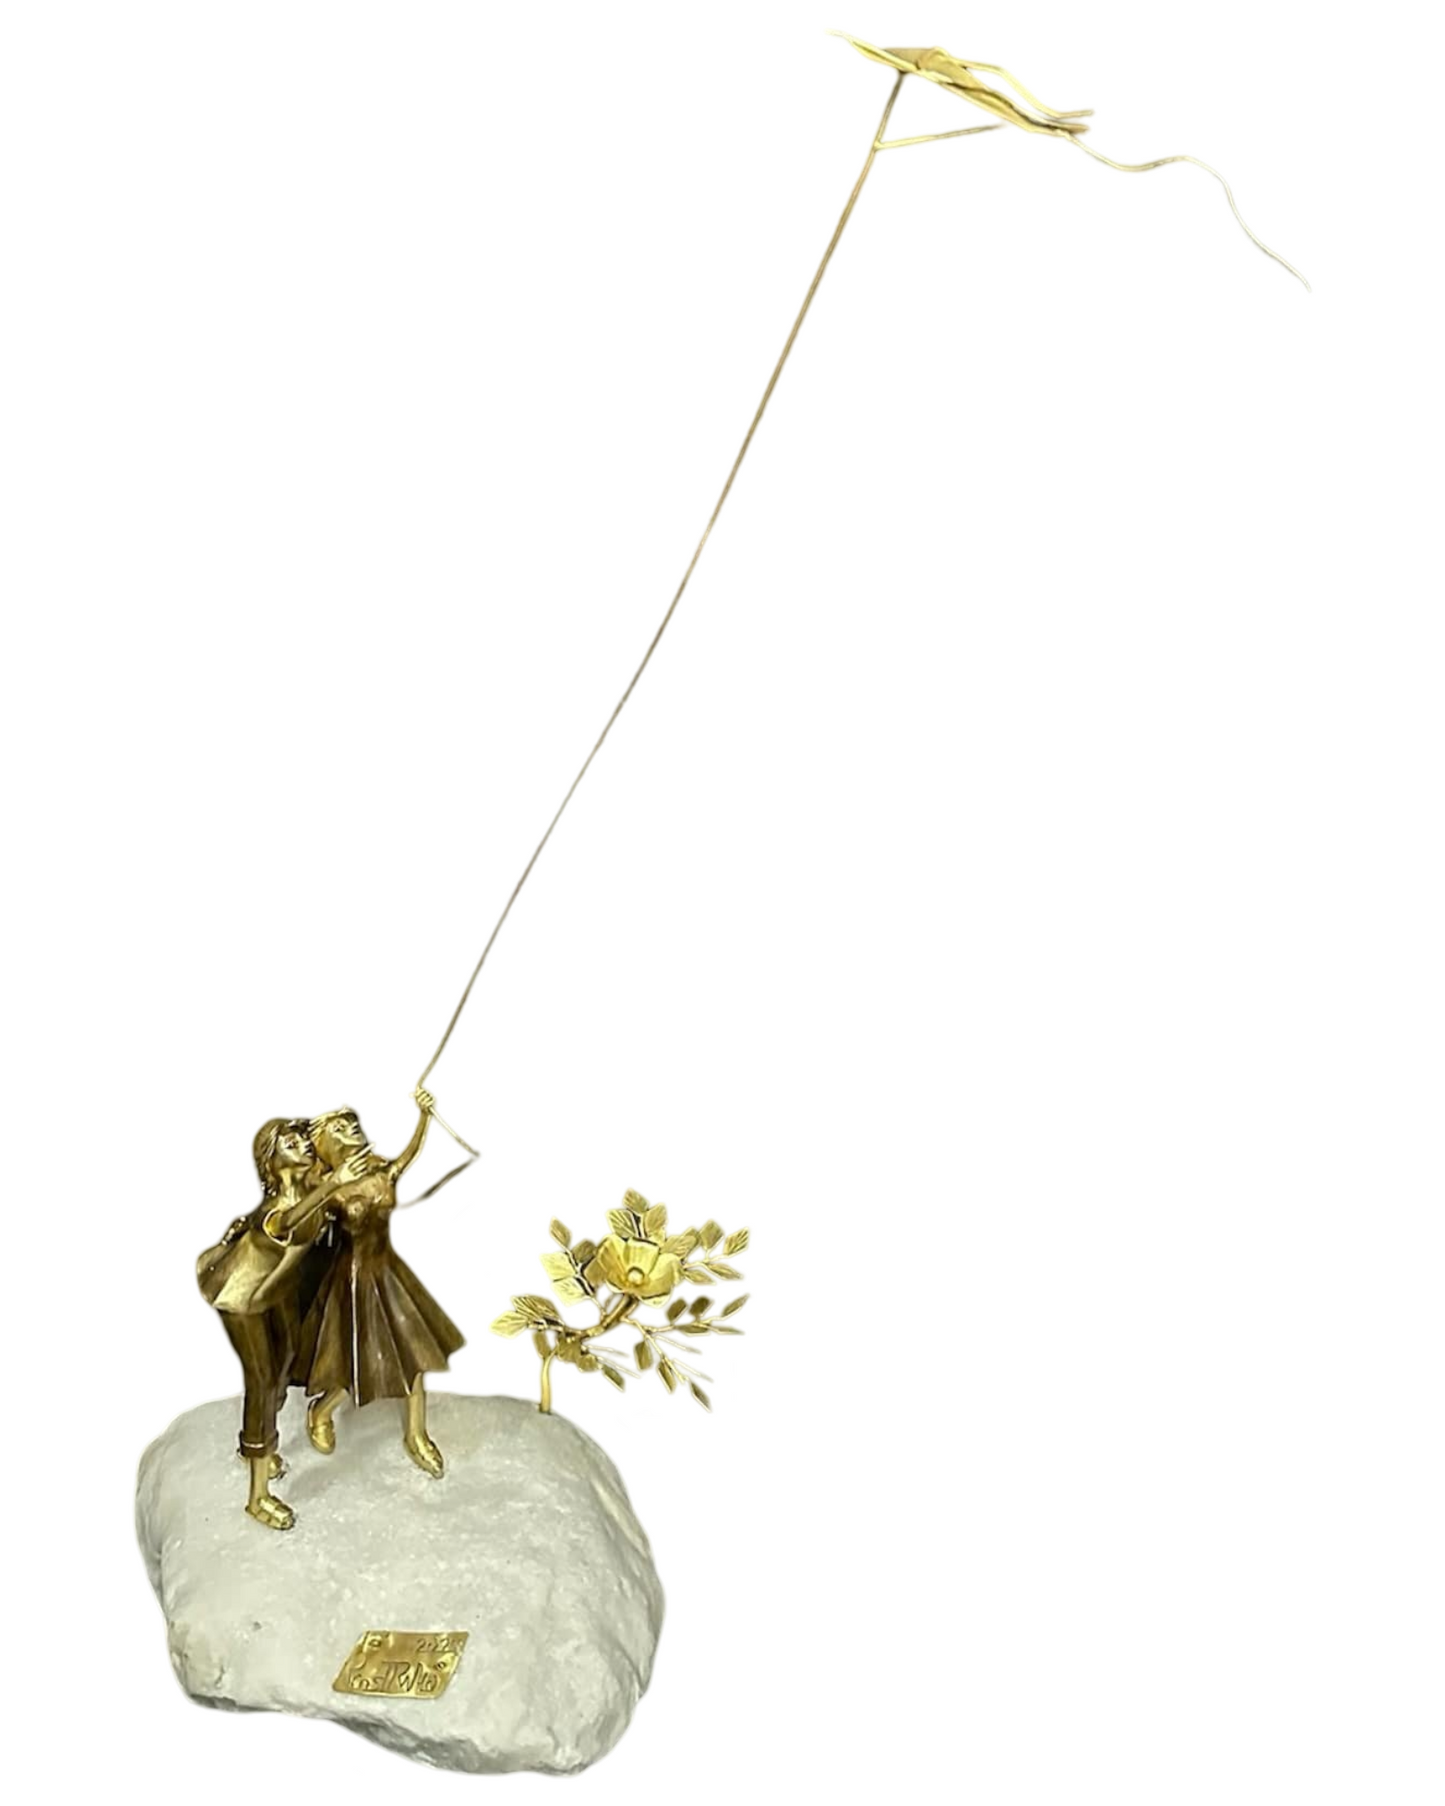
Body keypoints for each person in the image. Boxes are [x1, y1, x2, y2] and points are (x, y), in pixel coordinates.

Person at [196, 1118, 362, 1529]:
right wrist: (333, 1183)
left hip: (278, 1291)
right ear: (271, 1161)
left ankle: (256, 1445)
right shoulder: (278, 1209)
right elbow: (286, 1223)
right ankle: (257, 1496)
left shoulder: (311, 1186)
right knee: (263, 1378)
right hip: (243, 1298)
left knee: (286, 1364)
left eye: (302, 1139)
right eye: (290, 1143)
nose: (302, 1145)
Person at [295, 1087, 465, 1477]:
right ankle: (321, 1410)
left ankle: (416, 1435)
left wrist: (424, 1117)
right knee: (354, 1362)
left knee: (414, 1355)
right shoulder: (325, 1188)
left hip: (388, 1274)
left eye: (351, 1123)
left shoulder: (380, 1170)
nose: (351, 1128)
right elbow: (299, 1222)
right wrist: (329, 1186)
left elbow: (409, 1155)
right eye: (340, 1128)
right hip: (352, 1283)